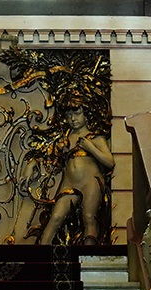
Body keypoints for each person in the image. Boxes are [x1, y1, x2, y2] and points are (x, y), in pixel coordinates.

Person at [38, 105, 113, 245]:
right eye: (68, 115)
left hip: (91, 182)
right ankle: (41, 257)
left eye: (77, 114)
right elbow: (48, 159)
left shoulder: (94, 137)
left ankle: (89, 258)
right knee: (56, 217)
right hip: (69, 183)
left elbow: (109, 162)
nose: (73, 119)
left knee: (89, 217)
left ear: (86, 115)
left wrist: (90, 148)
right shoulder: (64, 139)